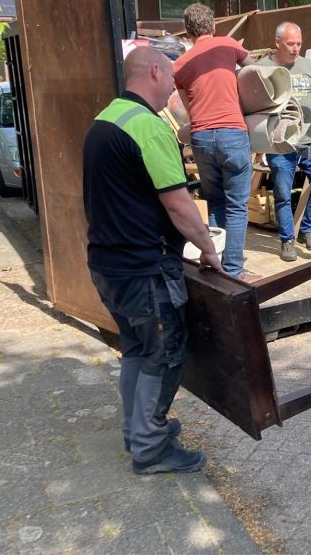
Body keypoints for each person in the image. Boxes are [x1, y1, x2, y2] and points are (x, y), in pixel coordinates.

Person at [83, 46, 223, 475]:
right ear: (156, 72)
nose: (176, 88)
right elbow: (180, 206)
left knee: (137, 349)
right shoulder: (149, 127)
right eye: (174, 78)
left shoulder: (106, 119)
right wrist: (209, 248)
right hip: (144, 268)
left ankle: (137, 428)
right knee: (163, 353)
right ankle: (150, 447)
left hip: (108, 265)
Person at [173, 3, 258, 281]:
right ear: (213, 26)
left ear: (187, 32)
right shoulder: (228, 44)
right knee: (236, 204)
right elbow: (256, 75)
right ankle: (233, 271)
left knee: (216, 201)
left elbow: (189, 107)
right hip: (232, 132)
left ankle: (216, 261)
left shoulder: (179, 66)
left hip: (201, 137)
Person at [265, 22, 311, 262]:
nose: (296, 49)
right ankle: (287, 240)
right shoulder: (263, 67)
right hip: (280, 142)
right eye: (290, 44)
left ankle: (306, 229)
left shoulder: (307, 65)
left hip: (309, 139)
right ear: (277, 43)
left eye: (299, 44)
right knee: (283, 193)